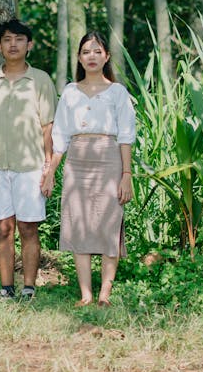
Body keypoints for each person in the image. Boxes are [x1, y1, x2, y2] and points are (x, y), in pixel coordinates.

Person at [41, 31, 136, 307]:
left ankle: (105, 293)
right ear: (79, 59)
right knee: (78, 223)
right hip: (77, 162)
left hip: (109, 160)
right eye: (86, 52)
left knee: (108, 223)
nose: (91, 56)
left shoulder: (118, 92)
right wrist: (50, 174)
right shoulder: (70, 91)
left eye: (97, 51)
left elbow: (126, 136)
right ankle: (86, 294)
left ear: (106, 56)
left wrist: (126, 175)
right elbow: (60, 138)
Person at [0, 18, 58, 301]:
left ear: (29, 44)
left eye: (19, 39)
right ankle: (6, 288)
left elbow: (48, 127)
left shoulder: (41, 80)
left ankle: (29, 287)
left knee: (28, 227)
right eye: (7, 39)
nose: (13, 44)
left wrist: (50, 168)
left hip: (31, 165)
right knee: (2, 228)